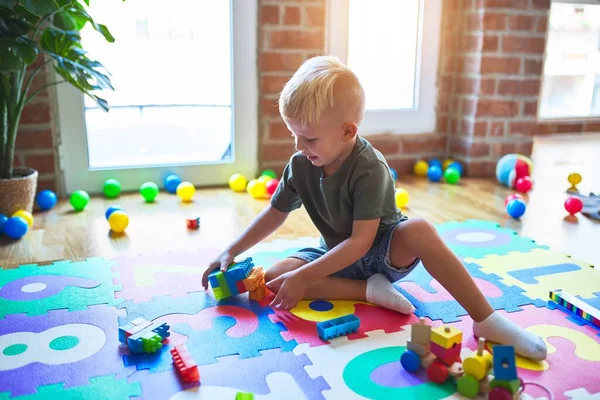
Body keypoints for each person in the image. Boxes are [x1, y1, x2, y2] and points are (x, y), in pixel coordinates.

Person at [202, 55, 547, 361]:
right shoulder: (301, 163)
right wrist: (231, 250)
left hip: (380, 251)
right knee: (275, 279)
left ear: (348, 131)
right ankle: (369, 291)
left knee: (420, 229)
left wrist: (306, 276)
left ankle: (486, 319)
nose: (298, 146)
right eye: (293, 134)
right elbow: (276, 213)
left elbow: (361, 243)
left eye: (308, 138)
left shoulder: (370, 167)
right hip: (334, 252)